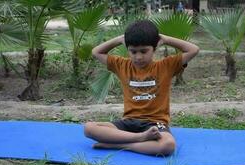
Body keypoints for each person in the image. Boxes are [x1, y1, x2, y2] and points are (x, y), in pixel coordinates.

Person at [85, 20, 199, 156]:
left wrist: (166, 39)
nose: (138, 57)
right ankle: (140, 139)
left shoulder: (166, 66)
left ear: (154, 48)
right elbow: (96, 52)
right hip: (128, 123)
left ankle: (120, 144)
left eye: (144, 51)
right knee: (89, 128)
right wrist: (120, 39)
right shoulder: (122, 65)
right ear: (128, 49)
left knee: (168, 145)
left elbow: (194, 49)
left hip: (155, 124)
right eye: (133, 52)